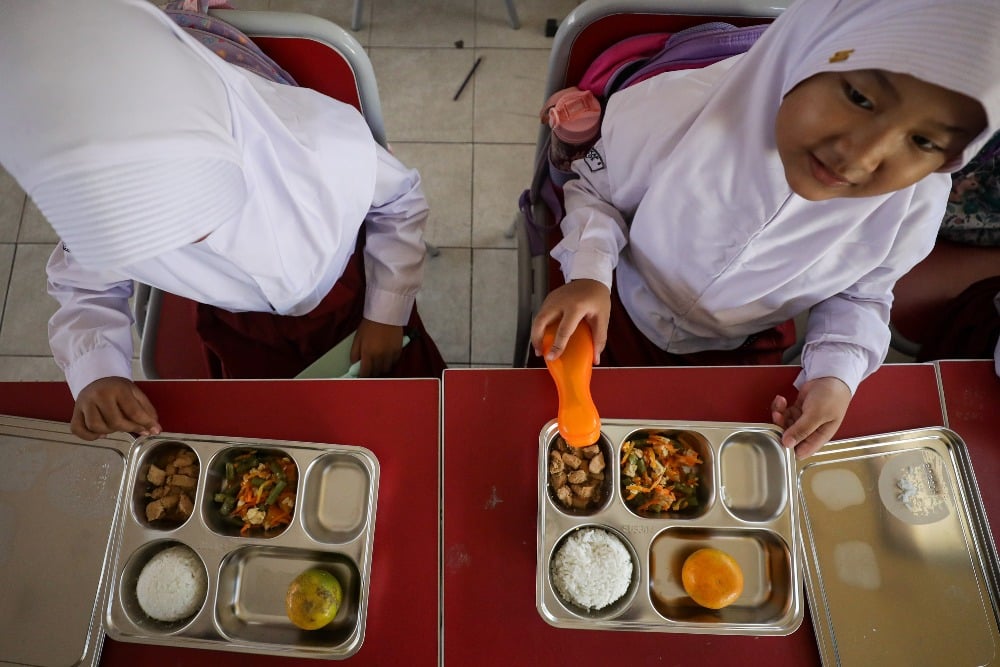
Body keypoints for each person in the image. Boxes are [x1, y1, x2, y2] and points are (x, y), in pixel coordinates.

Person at [529, 0, 1000, 458]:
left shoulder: (912, 205)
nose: (860, 157)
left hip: (744, 345)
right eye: (859, 97)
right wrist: (590, 272)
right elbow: (596, 191)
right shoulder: (678, 109)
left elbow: (861, 295)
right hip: (617, 304)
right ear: (804, 51)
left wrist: (833, 376)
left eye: (924, 140)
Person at [0, 0, 446, 441]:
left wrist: (387, 312)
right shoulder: (103, 198)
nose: (190, 235)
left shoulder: (314, 142)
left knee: (411, 416)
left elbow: (399, 200)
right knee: (276, 428)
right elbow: (84, 284)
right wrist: (96, 373)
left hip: (351, 296)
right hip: (238, 326)